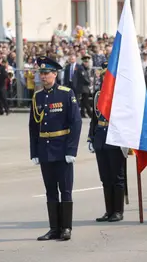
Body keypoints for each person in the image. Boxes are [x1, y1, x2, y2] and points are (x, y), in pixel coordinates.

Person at [29, 56, 82, 241]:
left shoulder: (66, 94)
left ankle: (66, 228)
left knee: (65, 189)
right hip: (45, 150)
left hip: (62, 149)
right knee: (50, 190)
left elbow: (76, 123)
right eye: (41, 73)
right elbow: (33, 127)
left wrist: (71, 150)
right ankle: (54, 228)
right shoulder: (37, 96)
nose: (43, 77)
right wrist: (34, 152)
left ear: (55, 74)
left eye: (46, 73)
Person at [88, 87, 127, 223]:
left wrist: (127, 139)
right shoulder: (99, 94)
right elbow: (94, 118)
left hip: (116, 138)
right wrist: (90, 137)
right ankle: (109, 211)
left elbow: (128, 118)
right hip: (100, 139)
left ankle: (118, 211)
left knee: (117, 177)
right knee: (105, 178)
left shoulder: (122, 95)